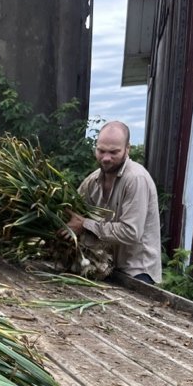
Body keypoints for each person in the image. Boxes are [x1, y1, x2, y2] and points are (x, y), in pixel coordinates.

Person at [64, 121, 162, 284]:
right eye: (101, 151)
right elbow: (74, 210)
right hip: (106, 266)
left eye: (114, 152)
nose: (106, 158)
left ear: (127, 149)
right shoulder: (93, 180)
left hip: (137, 272)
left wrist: (86, 225)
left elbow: (131, 232)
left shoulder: (136, 179)